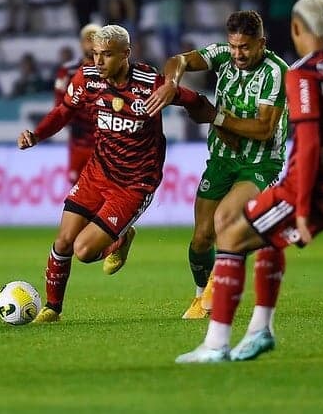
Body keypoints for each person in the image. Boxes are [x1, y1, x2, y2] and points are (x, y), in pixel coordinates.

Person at [174, 0, 323, 363]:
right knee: (267, 241)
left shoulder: (301, 74)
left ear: (294, 29)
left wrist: (303, 208)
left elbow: (306, 146)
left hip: (305, 188)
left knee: (229, 235)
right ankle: (260, 331)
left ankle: (215, 345)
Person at [18, 25, 216, 323]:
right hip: (97, 172)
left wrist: (215, 118)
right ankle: (52, 309)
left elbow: (193, 100)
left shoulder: (150, 83)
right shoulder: (87, 78)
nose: (98, 62)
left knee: (84, 251)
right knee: (64, 242)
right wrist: (37, 135)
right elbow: (63, 112)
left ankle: (120, 239)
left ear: (126, 54)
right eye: (96, 54)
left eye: (106, 55)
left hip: (135, 184)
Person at [148, 10, 289, 320]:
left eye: (245, 47)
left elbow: (265, 129)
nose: (238, 54)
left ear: (261, 43)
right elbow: (180, 60)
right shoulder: (224, 55)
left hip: (260, 163)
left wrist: (216, 117)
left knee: (226, 219)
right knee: (201, 238)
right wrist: (171, 82)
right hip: (222, 159)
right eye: (234, 46)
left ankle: (216, 292)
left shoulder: (276, 72)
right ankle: (201, 296)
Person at [54, 23, 100, 184]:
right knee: (77, 188)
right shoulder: (67, 71)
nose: (92, 44)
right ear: (81, 44)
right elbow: (59, 103)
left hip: (104, 143)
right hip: (78, 141)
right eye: (88, 40)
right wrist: (70, 121)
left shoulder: (111, 71)